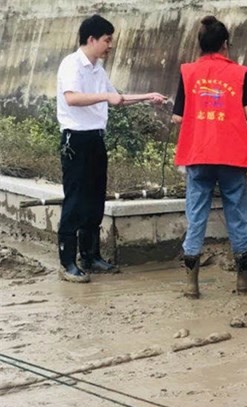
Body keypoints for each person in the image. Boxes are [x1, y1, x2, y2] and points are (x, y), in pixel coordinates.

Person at [56, 14, 167, 283]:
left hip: (95, 138)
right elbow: (72, 98)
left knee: (95, 198)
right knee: (75, 200)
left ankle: (90, 256)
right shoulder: (72, 64)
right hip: (75, 140)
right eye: (107, 40)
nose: (110, 45)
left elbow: (117, 98)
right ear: (91, 39)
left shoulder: (98, 70)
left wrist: (148, 96)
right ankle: (67, 262)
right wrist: (106, 96)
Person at [172, 16, 247, 298]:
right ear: (225, 44)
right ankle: (243, 279)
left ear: (200, 44)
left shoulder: (188, 72)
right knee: (237, 216)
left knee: (196, 216)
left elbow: (177, 117)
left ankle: (191, 284)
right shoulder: (239, 73)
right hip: (232, 155)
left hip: (199, 154)